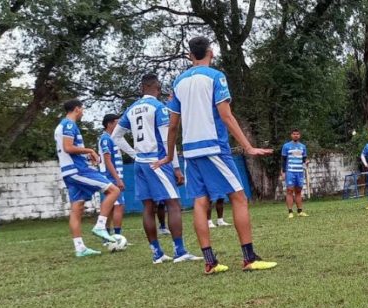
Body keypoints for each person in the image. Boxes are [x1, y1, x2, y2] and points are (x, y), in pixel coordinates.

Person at [156, 36, 277, 274]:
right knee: (239, 198)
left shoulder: (178, 82)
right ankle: (249, 258)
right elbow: (226, 115)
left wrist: (169, 155)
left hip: (190, 152)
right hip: (213, 147)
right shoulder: (216, 77)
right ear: (210, 52)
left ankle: (210, 262)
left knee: (200, 202)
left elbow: (172, 126)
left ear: (190, 55)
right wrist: (248, 147)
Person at [112, 74, 201, 264]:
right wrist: (176, 168)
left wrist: (135, 154)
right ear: (158, 89)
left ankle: (157, 253)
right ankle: (180, 251)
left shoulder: (132, 109)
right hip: (157, 163)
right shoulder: (159, 108)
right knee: (173, 204)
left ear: (141, 88)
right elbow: (166, 139)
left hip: (140, 164)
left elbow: (116, 136)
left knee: (148, 207)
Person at [53, 99, 121, 257]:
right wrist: (90, 150)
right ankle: (100, 226)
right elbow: (68, 147)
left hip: (68, 171)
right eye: (82, 109)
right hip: (77, 170)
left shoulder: (60, 126)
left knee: (77, 209)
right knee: (114, 190)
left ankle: (80, 248)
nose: (83, 112)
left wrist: (85, 154)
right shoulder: (69, 124)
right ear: (77, 109)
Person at [98, 113, 132, 240]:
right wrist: (118, 179)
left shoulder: (113, 138)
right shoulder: (106, 139)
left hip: (112, 177)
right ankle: (116, 236)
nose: (119, 125)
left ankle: (106, 236)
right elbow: (107, 160)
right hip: (109, 177)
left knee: (111, 207)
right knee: (118, 206)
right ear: (109, 124)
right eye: (117, 122)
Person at [281, 128, 309, 218]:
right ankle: (290, 212)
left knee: (298, 191)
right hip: (290, 171)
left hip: (299, 172)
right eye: (294, 134)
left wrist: (306, 162)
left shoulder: (303, 147)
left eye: (297, 134)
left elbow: (304, 159)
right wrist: (283, 172)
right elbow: (283, 160)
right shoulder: (286, 146)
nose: (296, 135)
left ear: (299, 135)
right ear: (291, 135)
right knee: (289, 191)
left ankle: (300, 211)